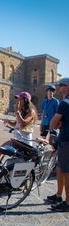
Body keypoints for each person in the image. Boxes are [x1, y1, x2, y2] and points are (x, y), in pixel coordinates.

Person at [0, 91, 37, 181]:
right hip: (16, 141)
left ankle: (5, 175)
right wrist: (8, 122)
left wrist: (17, 111)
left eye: (20, 99)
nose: (18, 101)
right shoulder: (22, 111)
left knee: (4, 152)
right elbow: (17, 124)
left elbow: (23, 123)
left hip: (24, 143)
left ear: (25, 100)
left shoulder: (31, 112)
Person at [47, 78, 69, 212]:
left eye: (60, 85)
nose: (58, 87)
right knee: (60, 168)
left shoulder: (64, 103)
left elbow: (53, 123)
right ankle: (58, 195)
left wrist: (57, 124)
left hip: (66, 141)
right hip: (65, 140)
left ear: (66, 87)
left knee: (66, 172)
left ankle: (67, 202)